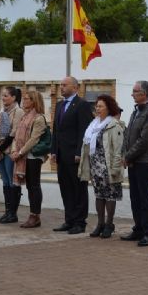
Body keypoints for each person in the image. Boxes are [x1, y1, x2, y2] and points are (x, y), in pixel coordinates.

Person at [51, 77, 94, 235]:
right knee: (66, 188)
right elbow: (56, 129)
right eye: (60, 85)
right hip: (62, 155)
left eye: (64, 85)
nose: (61, 87)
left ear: (75, 87)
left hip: (74, 155)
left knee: (78, 189)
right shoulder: (60, 105)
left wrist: (79, 152)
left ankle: (79, 222)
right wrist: (54, 150)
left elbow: (85, 131)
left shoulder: (82, 105)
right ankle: (69, 220)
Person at [120, 80, 148, 247]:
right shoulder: (136, 111)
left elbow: (144, 141)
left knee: (145, 198)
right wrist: (125, 154)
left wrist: (127, 156)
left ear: (145, 94)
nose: (132, 94)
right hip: (134, 161)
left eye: (135, 91)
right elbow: (129, 135)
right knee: (135, 197)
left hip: (144, 161)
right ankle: (139, 229)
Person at [79, 95, 125, 239]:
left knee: (110, 196)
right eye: (96, 106)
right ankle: (100, 223)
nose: (97, 109)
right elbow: (86, 147)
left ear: (108, 108)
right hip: (95, 167)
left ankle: (109, 224)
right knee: (99, 195)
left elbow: (118, 149)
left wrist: (116, 168)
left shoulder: (113, 125)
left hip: (108, 167)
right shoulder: (93, 125)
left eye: (100, 106)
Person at [10, 91, 49, 228]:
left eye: (27, 99)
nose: (24, 101)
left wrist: (20, 152)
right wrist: (15, 150)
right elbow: (16, 136)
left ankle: (35, 215)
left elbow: (34, 139)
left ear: (34, 101)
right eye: (24, 98)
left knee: (34, 185)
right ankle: (33, 215)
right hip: (22, 155)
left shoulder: (39, 118)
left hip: (32, 156)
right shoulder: (24, 117)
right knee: (29, 186)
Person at [0, 86, 24, 223]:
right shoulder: (2, 112)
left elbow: (13, 133)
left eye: (6, 96)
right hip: (0, 151)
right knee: (5, 181)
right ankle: (7, 212)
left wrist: (1, 148)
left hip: (10, 150)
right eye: (3, 96)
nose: (3, 98)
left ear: (14, 97)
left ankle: (13, 214)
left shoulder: (18, 112)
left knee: (12, 181)